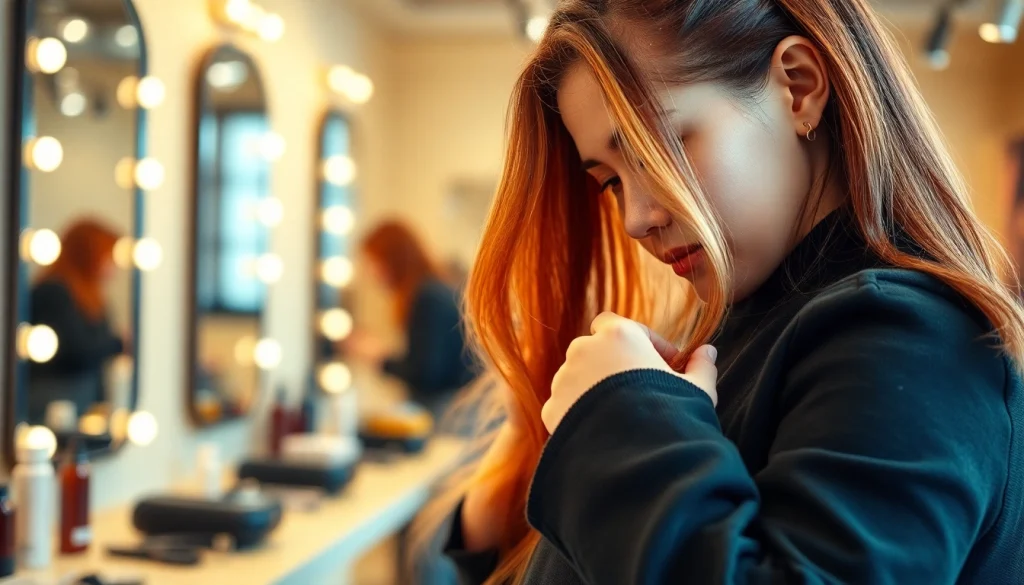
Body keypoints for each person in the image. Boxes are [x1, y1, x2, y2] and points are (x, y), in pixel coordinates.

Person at [412, 1, 1024, 584]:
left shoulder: (907, 338)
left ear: (799, 86)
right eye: (611, 184)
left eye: (659, 149)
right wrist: (499, 521)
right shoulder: (756, 331)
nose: (634, 219)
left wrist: (619, 419)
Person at [345, 220, 477, 422]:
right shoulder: (434, 291)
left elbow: (426, 375)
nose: (372, 274)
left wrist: (379, 357)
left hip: (452, 413)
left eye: (374, 263)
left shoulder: (427, 298)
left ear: (392, 259)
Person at [28, 219, 130, 425]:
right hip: (52, 403)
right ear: (90, 255)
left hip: (82, 399)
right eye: (108, 256)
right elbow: (78, 350)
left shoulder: (91, 297)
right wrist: (119, 342)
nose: (112, 266)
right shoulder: (54, 292)